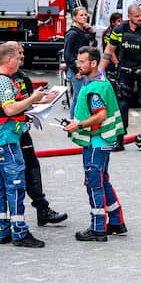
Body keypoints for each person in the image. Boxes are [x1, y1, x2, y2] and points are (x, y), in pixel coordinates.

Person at [63, 46, 126, 242]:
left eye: (82, 62)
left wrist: (78, 125)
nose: (78, 65)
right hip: (105, 141)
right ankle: (116, 222)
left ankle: (98, 228)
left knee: (94, 184)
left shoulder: (94, 88)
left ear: (93, 63)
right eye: (78, 62)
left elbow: (100, 115)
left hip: (96, 142)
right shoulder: (100, 82)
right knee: (103, 180)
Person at [11, 43, 67, 227]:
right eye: (19, 54)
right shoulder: (3, 80)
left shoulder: (22, 78)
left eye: (22, 53)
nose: (22, 57)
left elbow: (28, 102)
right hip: (7, 134)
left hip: (22, 131)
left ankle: (43, 209)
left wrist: (45, 99)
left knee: (32, 167)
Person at [0, 42, 48, 247]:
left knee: (2, 186)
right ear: (9, 60)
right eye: (18, 58)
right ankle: (19, 232)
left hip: (6, 138)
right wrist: (33, 99)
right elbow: (10, 110)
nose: (21, 61)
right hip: (7, 140)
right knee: (16, 184)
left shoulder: (7, 80)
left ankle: (2, 229)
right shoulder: (3, 82)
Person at [100, 3, 141, 149]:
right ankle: (120, 140)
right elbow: (110, 49)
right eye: (137, 16)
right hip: (125, 71)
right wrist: (101, 70)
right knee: (122, 104)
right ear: (129, 17)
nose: (140, 18)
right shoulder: (119, 29)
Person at [64, 6, 97, 117]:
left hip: (84, 70)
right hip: (77, 71)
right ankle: (73, 120)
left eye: (85, 15)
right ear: (74, 18)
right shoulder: (72, 34)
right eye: (81, 15)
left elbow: (92, 44)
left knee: (83, 96)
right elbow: (68, 55)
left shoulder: (82, 31)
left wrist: (91, 31)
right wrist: (77, 71)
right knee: (78, 98)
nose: (84, 17)